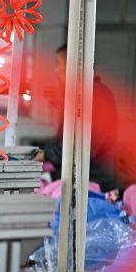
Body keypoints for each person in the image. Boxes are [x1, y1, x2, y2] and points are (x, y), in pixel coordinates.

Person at [39, 44, 119, 191]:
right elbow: (65, 141)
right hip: (79, 182)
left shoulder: (97, 96)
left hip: (93, 186)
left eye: (58, 64)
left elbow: (83, 148)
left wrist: (46, 154)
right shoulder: (80, 95)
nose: (55, 70)